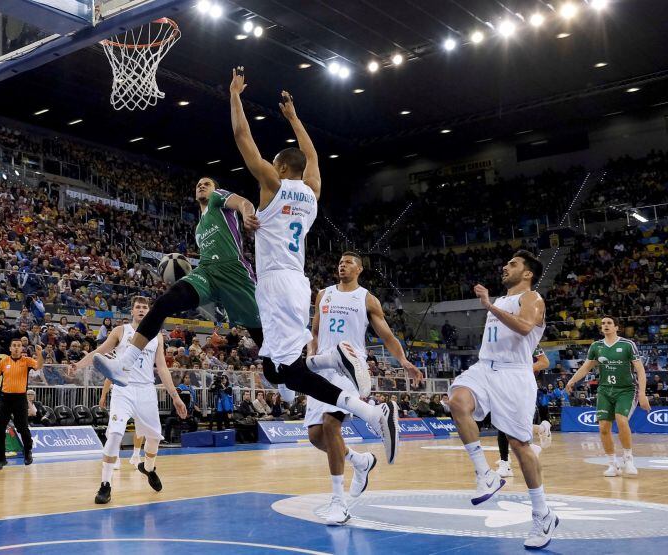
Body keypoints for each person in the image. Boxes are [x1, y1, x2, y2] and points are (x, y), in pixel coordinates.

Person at [228, 68, 412, 465]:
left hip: (276, 282)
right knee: (275, 371)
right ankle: (332, 364)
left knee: (288, 374)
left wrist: (235, 96)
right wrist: (294, 118)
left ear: (278, 168)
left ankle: (366, 406)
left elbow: (243, 139)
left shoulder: (272, 186)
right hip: (299, 281)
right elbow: (312, 155)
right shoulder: (312, 192)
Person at [93, 176, 264, 389]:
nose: (201, 185)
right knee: (164, 302)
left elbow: (242, 202)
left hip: (234, 272)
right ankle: (124, 365)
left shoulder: (218, 200)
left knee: (263, 340)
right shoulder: (199, 228)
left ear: (215, 189)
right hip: (207, 272)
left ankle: (281, 371)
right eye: (198, 184)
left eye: (206, 183)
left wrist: (248, 214)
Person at [447, 250, 558, 549]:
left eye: (512, 264)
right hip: (485, 368)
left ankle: (542, 513)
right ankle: (485, 474)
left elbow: (524, 327)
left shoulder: (532, 298)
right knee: (457, 401)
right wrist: (491, 305)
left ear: (527, 273)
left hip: (514, 375)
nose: (504, 267)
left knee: (520, 447)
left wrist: (487, 306)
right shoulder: (499, 301)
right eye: (506, 262)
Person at [305, 253, 421, 524]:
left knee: (330, 425)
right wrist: (310, 355)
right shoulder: (323, 295)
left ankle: (338, 502)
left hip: (350, 368)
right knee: (315, 436)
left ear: (359, 269)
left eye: (348, 262)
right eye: (340, 262)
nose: (341, 264)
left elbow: (388, 336)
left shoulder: (367, 299)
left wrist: (403, 361)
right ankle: (360, 461)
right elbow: (315, 332)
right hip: (322, 366)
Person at [73, 297, 187, 504]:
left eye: (145, 307)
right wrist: (78, 365)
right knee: (115, 434)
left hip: (146, 391)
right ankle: (105, 485)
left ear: (149, 311)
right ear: (132, 311)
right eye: (138, 307)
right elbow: (100, 352)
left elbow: (162, 368)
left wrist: (176, 397)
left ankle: (148, 467)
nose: (142, 310)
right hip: (123, 388)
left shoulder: (158, 336)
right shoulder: (120, 331)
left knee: (154, 438)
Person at [565, 317, 651, 477]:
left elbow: (640, 370)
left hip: (626, 390)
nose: (605, 325)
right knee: (603, 427)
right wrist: (571, 381)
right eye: (603, 323)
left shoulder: (627, 344)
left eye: (609, 323)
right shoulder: (596, 346)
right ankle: (613, 464)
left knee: (621, 420)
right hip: (605, 390)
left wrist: (642, 394)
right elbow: (585, 368)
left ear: (617, 327)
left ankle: (629, 460)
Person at [496, 346, 551, 479]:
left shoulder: (530, 343)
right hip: (506, 386)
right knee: (502, 424)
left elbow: (544, 363)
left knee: (514, 426)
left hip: (525, 387)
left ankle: (542, 429)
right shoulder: (501, 343)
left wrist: (521, 371)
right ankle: (505, 463)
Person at [0, 340, 44, 470]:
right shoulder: (4, 362)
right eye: (14, 345)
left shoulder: (27, 361)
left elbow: (39, 366)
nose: (16, 348)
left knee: (22, 427)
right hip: (5, 399)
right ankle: (0, 459)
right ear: (10, 348)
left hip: (20, 399)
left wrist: (39, 354)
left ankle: (28, 452)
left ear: (22, 348)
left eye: (18, 346)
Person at [98, 380, 145, 469]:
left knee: (141, 426)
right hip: (120, 397)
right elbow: (108, 378)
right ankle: (116, 457)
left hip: (138, 396)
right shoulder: (118, 366)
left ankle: (136, 456)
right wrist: (103, 396)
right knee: (117, 429)